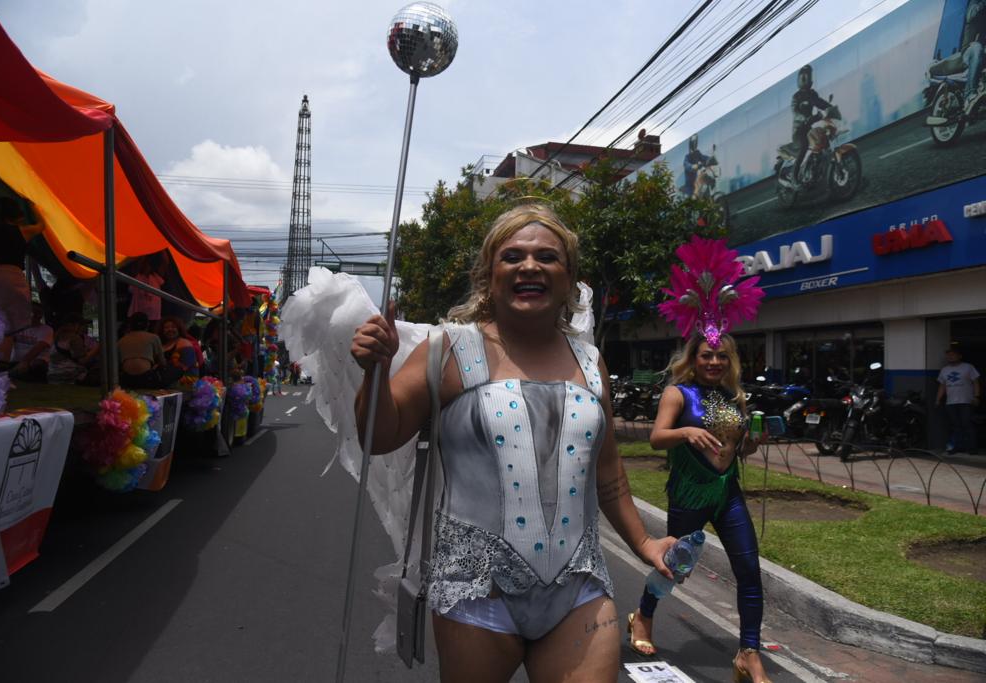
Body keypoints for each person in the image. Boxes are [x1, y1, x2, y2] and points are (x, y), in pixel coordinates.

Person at [351, 204, 676, 682]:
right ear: (489, 274)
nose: (530, 266)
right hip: (474, 594)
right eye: (513, 256)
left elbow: (608, 474)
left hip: (579, 587)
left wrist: (645, 542)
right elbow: (378, 437)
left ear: (568, 279)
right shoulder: (446, 350)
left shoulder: (590, 362)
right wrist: (375, 373)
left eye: (547, 257)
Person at [629, 235, 767, 682]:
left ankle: (748, 653)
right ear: (694, 356)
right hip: (689, 493)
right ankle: (643, 614)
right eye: (706, 354)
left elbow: (734, 447)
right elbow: (656, 438)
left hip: (726, 494)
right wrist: (685, 430)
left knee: (749, 569)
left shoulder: (733, 396)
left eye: (720, 355)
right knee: (674, 567)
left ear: (729, 360)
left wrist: (750, 444)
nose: (712, 361)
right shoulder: (678, 392)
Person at [0, 197, 44, 361]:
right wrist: (34, 207)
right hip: (11, 277)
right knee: (10, 326)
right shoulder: (22, 231)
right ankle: (3, 362)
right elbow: (41, 226)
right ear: (18, 216)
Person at [789, 64, 830, 184]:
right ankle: (794, 178)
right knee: (804, 146)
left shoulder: (812, 94)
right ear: (800, 79)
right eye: (804, 77)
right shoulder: (796, 97)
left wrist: (830, 108)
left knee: (822, 140)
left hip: (808, 128)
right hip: (799, 130)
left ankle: (819, 172)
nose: (806, 79)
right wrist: (804, 117)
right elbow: (795, 111)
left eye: (808, 76)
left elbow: (820, 103)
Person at [937, 344, 981, 454]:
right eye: (948, 355)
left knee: (967, 424)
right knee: (956, 426)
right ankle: (957, 447)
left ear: (959, 356)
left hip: (966, 401)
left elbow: (976, 382)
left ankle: (972, 448)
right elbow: (942, 386)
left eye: (953, 355)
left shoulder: (968, 367)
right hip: (951, 402)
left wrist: (977, 396)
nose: (950, 357)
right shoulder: (944, 370)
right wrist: (938, 399)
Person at [117, 312, 175, 389]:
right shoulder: (153, 337)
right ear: (148, 324)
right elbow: (162, 362)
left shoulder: (122, 340)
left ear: (130, 325)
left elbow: (118, 362)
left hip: (127, 379)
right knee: (175, 370)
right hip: (146, 378)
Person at [47, 313, 99, 385]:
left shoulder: (57, 336)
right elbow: (82, 360)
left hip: (53, 375)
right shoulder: (75, 338)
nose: (84, 328)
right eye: (81, 325)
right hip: (70, 376)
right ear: (73, 325)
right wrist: (98, 348)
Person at [9, 301, 52, 382]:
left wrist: (25, 361)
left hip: (35, 363)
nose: (35, 315)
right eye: (33, 312)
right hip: (16, 362)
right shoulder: (17, 327)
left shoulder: (46, 330)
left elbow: (38, 348)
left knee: (37, 365)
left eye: (38, 313)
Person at [126, 257, 164, 323]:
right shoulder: (137, 276)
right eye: (145, 264)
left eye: (148, 264)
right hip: (138, 313)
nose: (147, 266)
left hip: (154, 316)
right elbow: (138, 264)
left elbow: (165, 262)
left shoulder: (155, 276)